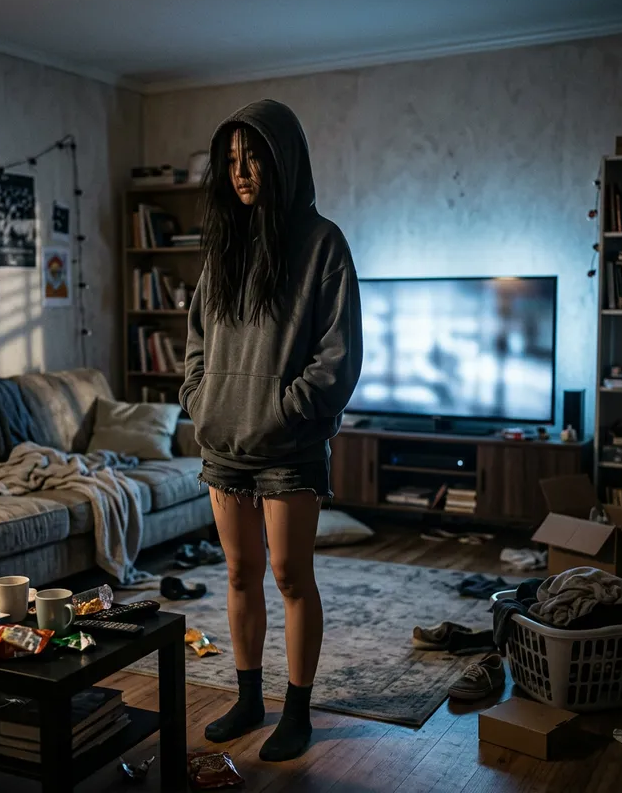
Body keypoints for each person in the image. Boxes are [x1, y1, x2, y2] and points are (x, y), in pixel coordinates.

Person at [179, 99, 363, 763]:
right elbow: (196, 343)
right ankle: (248, 696)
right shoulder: (223, 246)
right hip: (222, 446)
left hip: (289, 447)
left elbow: (338, 358)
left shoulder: (322, 244)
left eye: (252, 156)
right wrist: (204, 403)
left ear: (283, 158)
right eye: (230, 161)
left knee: (290, 576)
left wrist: (285, 411)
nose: (241, 171)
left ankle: (298, 710)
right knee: (238, 573)